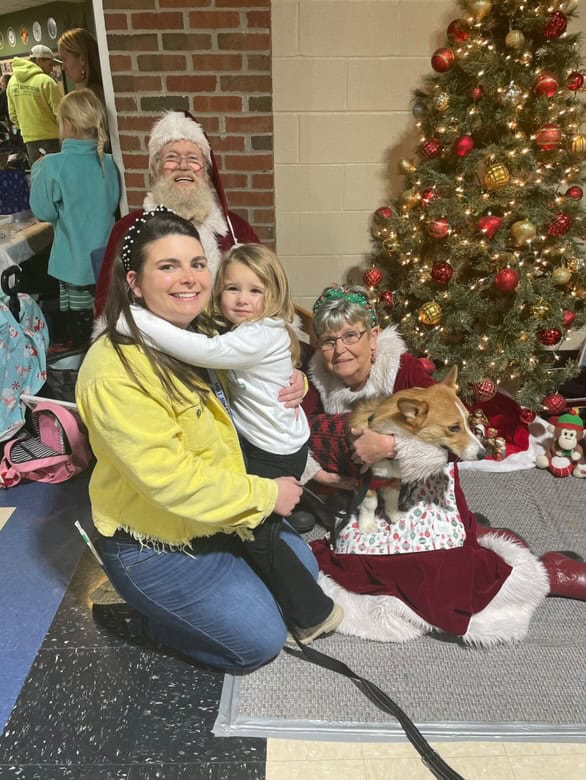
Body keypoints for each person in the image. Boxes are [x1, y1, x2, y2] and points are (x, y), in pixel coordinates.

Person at [76, 209, 341, 671]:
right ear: (134, 283)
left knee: (305, 570)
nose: (189, 278)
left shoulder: (199, 330)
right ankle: (160, 617)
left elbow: (256, 358)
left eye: (198, 264)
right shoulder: (114, 371)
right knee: (258, 642)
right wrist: (265, 494)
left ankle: (219, 592)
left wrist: (291, 375)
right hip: (157, 542)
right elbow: (172, 480)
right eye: (168, 266)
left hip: (218, 514)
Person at [299, 284, 586, 645]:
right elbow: (298, 439)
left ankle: (549, 571)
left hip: (425, 494)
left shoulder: (405, 371)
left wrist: (389, 444)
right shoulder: (315, 382)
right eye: (328, 340)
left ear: (373, 336)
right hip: (363, 498)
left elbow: (456, 443)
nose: (340, 349)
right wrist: (320, 473)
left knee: (443, 579)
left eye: (351, 335)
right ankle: (481, 536)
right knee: (352, 567)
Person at [94, 110, 259, 316]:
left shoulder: (237, 230)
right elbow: (109, 302)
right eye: (171, 158)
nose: (183, 166)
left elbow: (266, 290)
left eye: (193, 159)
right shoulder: (128, 228)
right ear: (155, 170)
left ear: (206, 173)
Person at [29, 89, 120, 350]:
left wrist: (38, 171)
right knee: (106, 330)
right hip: (105, 263)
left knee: (82, 339)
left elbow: (43, 213)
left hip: (72, 267)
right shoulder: (110, 163)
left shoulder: (52, 166)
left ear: (67, 124)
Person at [7, 45, 62, 164]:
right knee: (57, 178)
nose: (52, 69)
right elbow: (61, 114)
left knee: (39, 178)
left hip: (29, 141)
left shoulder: (12, 82)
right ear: (38, 61)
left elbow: (12, 115)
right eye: (50, 64)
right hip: (52, 140)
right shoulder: (47, 82)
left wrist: (28, 127)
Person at [58, 28, 103, 103]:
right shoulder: (102, 91)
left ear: (82, 59)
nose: (63, 67)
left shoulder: (87, 100)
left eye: (64, 59)